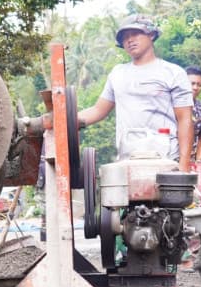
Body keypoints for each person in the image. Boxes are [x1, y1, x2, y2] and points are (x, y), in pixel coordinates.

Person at [74, 14, 194, 170]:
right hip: (127, 160)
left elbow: (185, 119)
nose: (130, 40)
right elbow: (98, 110)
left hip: (166, 159)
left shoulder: (173, 72)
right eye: (125, 37)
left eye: (135, 34)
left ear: (151, 34)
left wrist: (184, 165)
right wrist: (67, 121)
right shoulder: (117, 73)